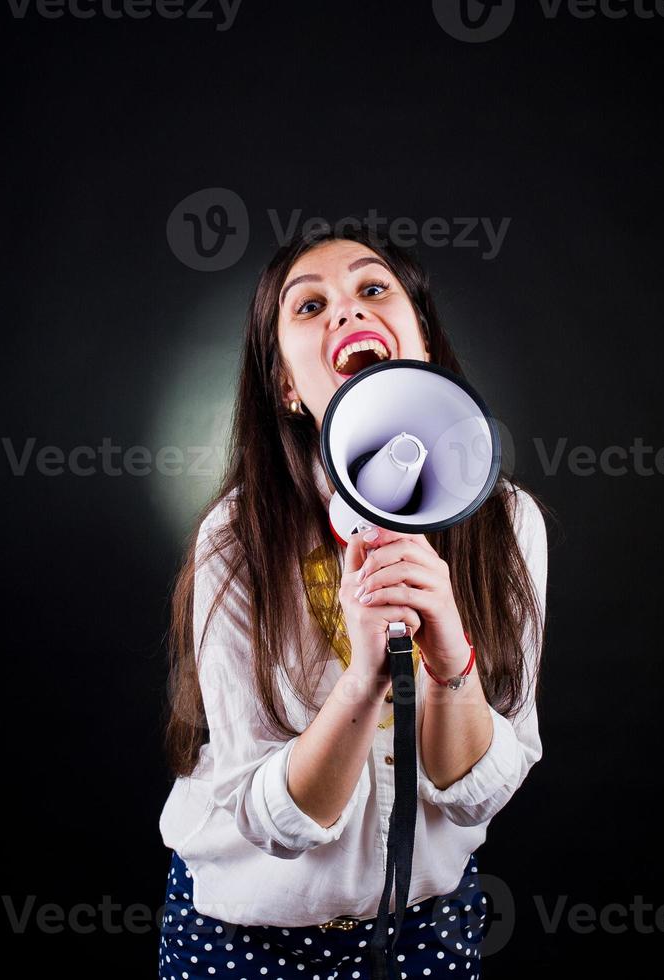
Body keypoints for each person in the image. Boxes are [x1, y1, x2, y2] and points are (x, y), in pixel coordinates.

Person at [157, 224, 549, 979]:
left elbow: (473, 796)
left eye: (373, 289)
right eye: (308, 306)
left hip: (427, 929)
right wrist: (362, 679)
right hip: (246, 938)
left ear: (422, 341)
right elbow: (276, 823)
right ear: (286, 387)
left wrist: (448, 662)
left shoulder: (506, 523)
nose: (346, 311)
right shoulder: (233, 540)